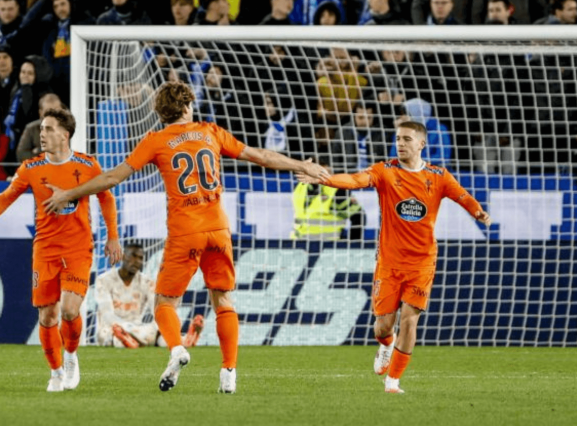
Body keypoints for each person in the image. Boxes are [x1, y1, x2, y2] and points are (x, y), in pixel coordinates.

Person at [42, 81, 329, 394]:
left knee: (165, 301)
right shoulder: (211, 132)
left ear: (161, 113)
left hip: (185, 231)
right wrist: (302, 165)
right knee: (223, 299)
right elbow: (260, 155)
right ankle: (228, 373)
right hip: (218, 228)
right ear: (188, 106)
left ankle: (177, 349)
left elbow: (112, 177)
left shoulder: (156, 140)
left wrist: (69, 193)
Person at [296, 121, 492, 393]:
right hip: (389, 263)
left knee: (410, 320)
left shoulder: (438, 175)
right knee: (383, 327)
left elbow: (462, 195)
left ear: (421, 143)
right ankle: (386, 345)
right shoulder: (384, 171)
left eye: (407, 139)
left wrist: (478, 211)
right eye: (398, 138)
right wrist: (326, 178)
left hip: (422, 263)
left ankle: (393, 381)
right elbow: (355, 180)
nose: (400, 143)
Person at [0, 108, 121, 392]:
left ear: (64, 134)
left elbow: (106, 199)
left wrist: (113, 237)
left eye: (48, 129)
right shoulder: (31, 168)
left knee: (71, 311)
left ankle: (71, 357)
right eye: (42, 128)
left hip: (78, 247)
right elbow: (6, 197)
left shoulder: (88, 165)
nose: (41, 134)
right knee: (48, 316)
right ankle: (56, 372)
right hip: (45, 249)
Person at [95, 242, 205, 349]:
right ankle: (128, 339)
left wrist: (164, 325)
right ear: (123, 257)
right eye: (133, 256)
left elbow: (157, 310)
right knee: (109, 337)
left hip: (138, 329)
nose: (136, 261)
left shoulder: (146, 282)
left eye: (140, 258)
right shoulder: (103, 280)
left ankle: (185, 341)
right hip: (111, 328)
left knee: (161, 333)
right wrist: (126, 328)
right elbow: (108, 315)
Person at [291, 158, 364, 241]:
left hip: (326, 247)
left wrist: (352, 244)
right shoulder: (300, 187)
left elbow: (359, 217)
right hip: (300, 243)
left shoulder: (337, 190)